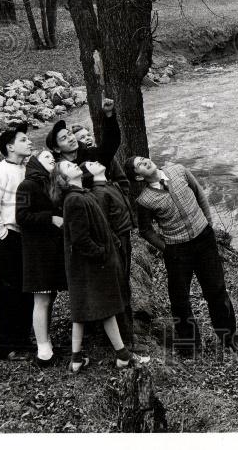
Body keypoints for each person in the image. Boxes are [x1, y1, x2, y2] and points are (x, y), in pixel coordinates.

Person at [126, 155, 238, 357]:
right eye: (139, 165)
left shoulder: (178, 170)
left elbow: (199, 193)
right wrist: (167, 247)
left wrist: (207, 223)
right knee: (180, 300)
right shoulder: (145, 200)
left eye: (143, 159)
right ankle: (190, 347)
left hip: (204, 240)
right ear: (139, 177)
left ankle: (229, 338)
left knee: (217, 290)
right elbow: (145, 230)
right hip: (177, 251)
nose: (145, 161)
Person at [57, 159, 148, 372]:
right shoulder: (74, 200)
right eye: (69, 167)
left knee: (86, 309)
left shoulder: (82, 194)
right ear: (64, 180)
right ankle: (122, 355)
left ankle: (78, 358)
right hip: (89, 265)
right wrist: (101, 253)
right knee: (104, 308)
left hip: (88, 264)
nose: (75, 166)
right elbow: (80, 238)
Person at [0, 123, 35, 361]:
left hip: (24, 236)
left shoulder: (24, 169)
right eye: (23, 140)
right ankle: (6, 346)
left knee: (26, 288)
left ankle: (23, 339)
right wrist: (5, 236)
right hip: (6, 237)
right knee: (7, 290)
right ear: (10, 147)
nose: (29, 142)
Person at [15, 149, 67, 367]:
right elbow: (21, 216)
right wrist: (51, 218)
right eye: (46, 157)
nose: (52, 159)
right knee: (42, 299)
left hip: (52, 250)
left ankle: (47, 342)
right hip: (37, 252)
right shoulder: (26, 185)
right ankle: (43, 351)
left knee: (50, 297)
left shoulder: (51, 183)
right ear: (35, 161)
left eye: (52, 158)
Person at [85, 159, 136, 349]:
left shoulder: (109, 184)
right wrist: (116, 244)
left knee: (124, 285)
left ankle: (128, 335)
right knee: (120, 286)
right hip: (117, 243)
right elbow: (103, 224)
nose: (96, 162)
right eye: (91, 164)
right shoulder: (99, 193)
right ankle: (125, 339)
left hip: (124, 238)